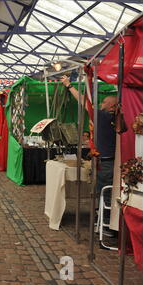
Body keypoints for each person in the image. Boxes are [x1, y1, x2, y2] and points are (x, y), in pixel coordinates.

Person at [61, 75, 117, 237]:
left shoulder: (105, 117)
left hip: (106, 163)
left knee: (105, 195)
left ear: (112, 106)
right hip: (106, 161)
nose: (101, 103)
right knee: (103, 194)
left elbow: (85, 103)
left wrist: (68, 85)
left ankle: (106, 227)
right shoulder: (113, 118)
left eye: (105, 102)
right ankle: (102, 221)